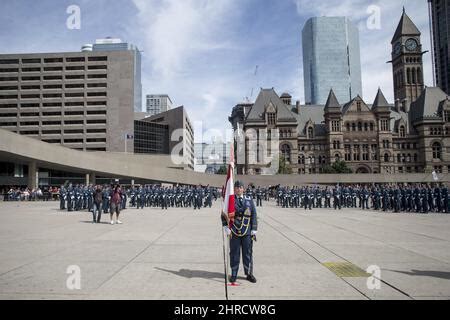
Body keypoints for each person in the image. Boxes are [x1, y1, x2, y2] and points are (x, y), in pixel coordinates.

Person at [223, 180, 258, 284]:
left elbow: (254, 214)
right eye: (237, 187)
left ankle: (249, 273)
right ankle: (234, 274)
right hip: (234, 230)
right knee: (234, 253)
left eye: (240, 187)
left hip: (247, 231)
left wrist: (254, 229)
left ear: (243, 189)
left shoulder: (249, 199)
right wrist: (226, 227)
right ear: (234, 189)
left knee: (248, 253)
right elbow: (224, 213)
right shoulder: (230, 200)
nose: (238, 189)